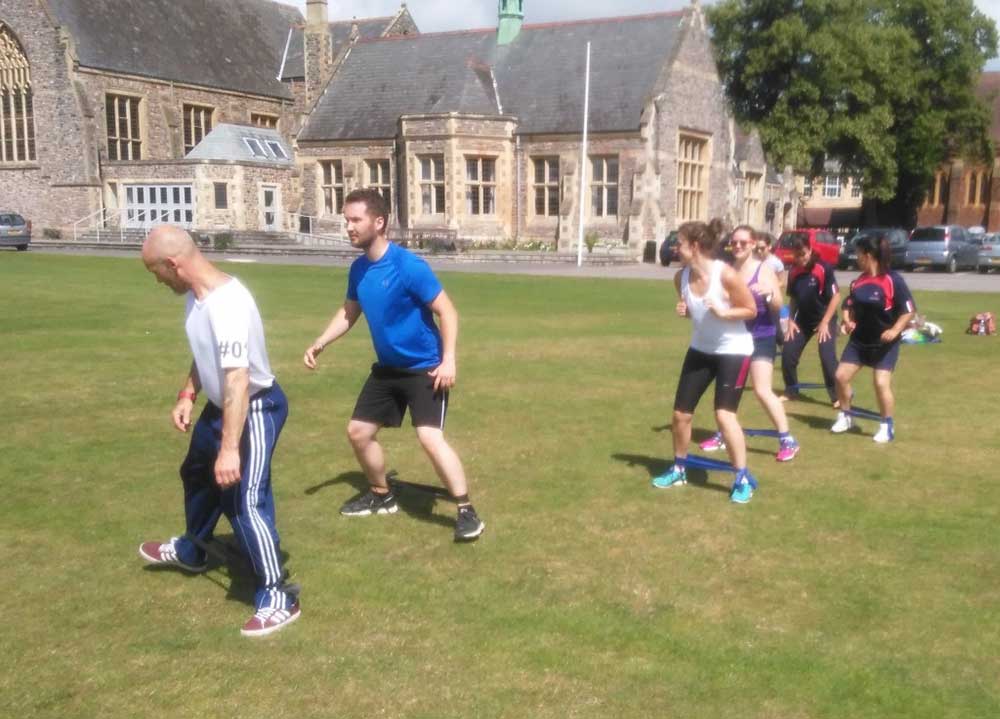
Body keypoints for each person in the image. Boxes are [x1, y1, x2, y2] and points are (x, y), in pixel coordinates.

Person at [137, 225, 299, 638]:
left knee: (246, 498)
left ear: (173, 264)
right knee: (196, 472)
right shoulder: (198, 296)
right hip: (219, 403)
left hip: (255, 408)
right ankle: (195, 549)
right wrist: (188, 392)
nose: (157, 281)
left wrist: (230, 449)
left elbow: (238, 379)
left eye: (156, 272)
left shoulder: (228, 304)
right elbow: (204, 353)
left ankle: (279, 594)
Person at [303, 188, 485, 541]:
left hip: (425, 369)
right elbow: (349, 311)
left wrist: (449, 360)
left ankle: (466, 511)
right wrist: (321, 342)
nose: (349, 227)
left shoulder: (408, 266)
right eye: (346, 220)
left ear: (379, 221)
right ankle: (381, 495)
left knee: (430, 438)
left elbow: (447, 310)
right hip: (387, 369)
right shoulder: (359, 269)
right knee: (358, 432)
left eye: (356, 220)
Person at [652, 219, 760, 503]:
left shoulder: (724, 275)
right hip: (701, 349)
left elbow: (750, 310)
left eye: (680, 243)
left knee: (724, 416)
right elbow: (695, 312)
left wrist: (725, 313)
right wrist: (685, 310)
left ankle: (741, 478)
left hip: (734, 351)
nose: (675, 248)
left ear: (695, 246)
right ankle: (679, 467)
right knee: (680, 415)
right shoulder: (681, 278)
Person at [700, 226, 800, 461]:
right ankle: (724, 433)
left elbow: (778, 305)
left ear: (753, 244)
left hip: (761, 337)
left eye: (743, 243)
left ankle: (787, 439)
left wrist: (768, 294)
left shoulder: (763, 270)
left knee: (762, 390)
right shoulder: (730, 270)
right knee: (728, 389)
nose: (737, 246)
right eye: (734, 243)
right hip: (733, 339)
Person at [831, 233, 916, 442]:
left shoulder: (893, 280)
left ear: (868, 255)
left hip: (884, 344)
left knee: (880, 383)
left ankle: (887, 426)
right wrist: (847, 321)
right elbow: (850, 306)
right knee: (840, 377)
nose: (856, 257)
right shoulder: (858, 282)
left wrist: (895, 330)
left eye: (858, 254)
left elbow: (908, 311)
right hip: (859, 341)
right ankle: (847, 416)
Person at [780, 235, 841, 404]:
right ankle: (791, 389)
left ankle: (837, 395)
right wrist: (791, 320)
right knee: (788, 353)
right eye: (796, 255)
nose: (800, 259)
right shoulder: (793, 271)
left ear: (810, 250)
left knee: (827, 357)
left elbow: (835, 297)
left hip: (825, 319)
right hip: (802, 321)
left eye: (803, 254)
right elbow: (793, 299)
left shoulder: (824, 269)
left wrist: (824, 323)